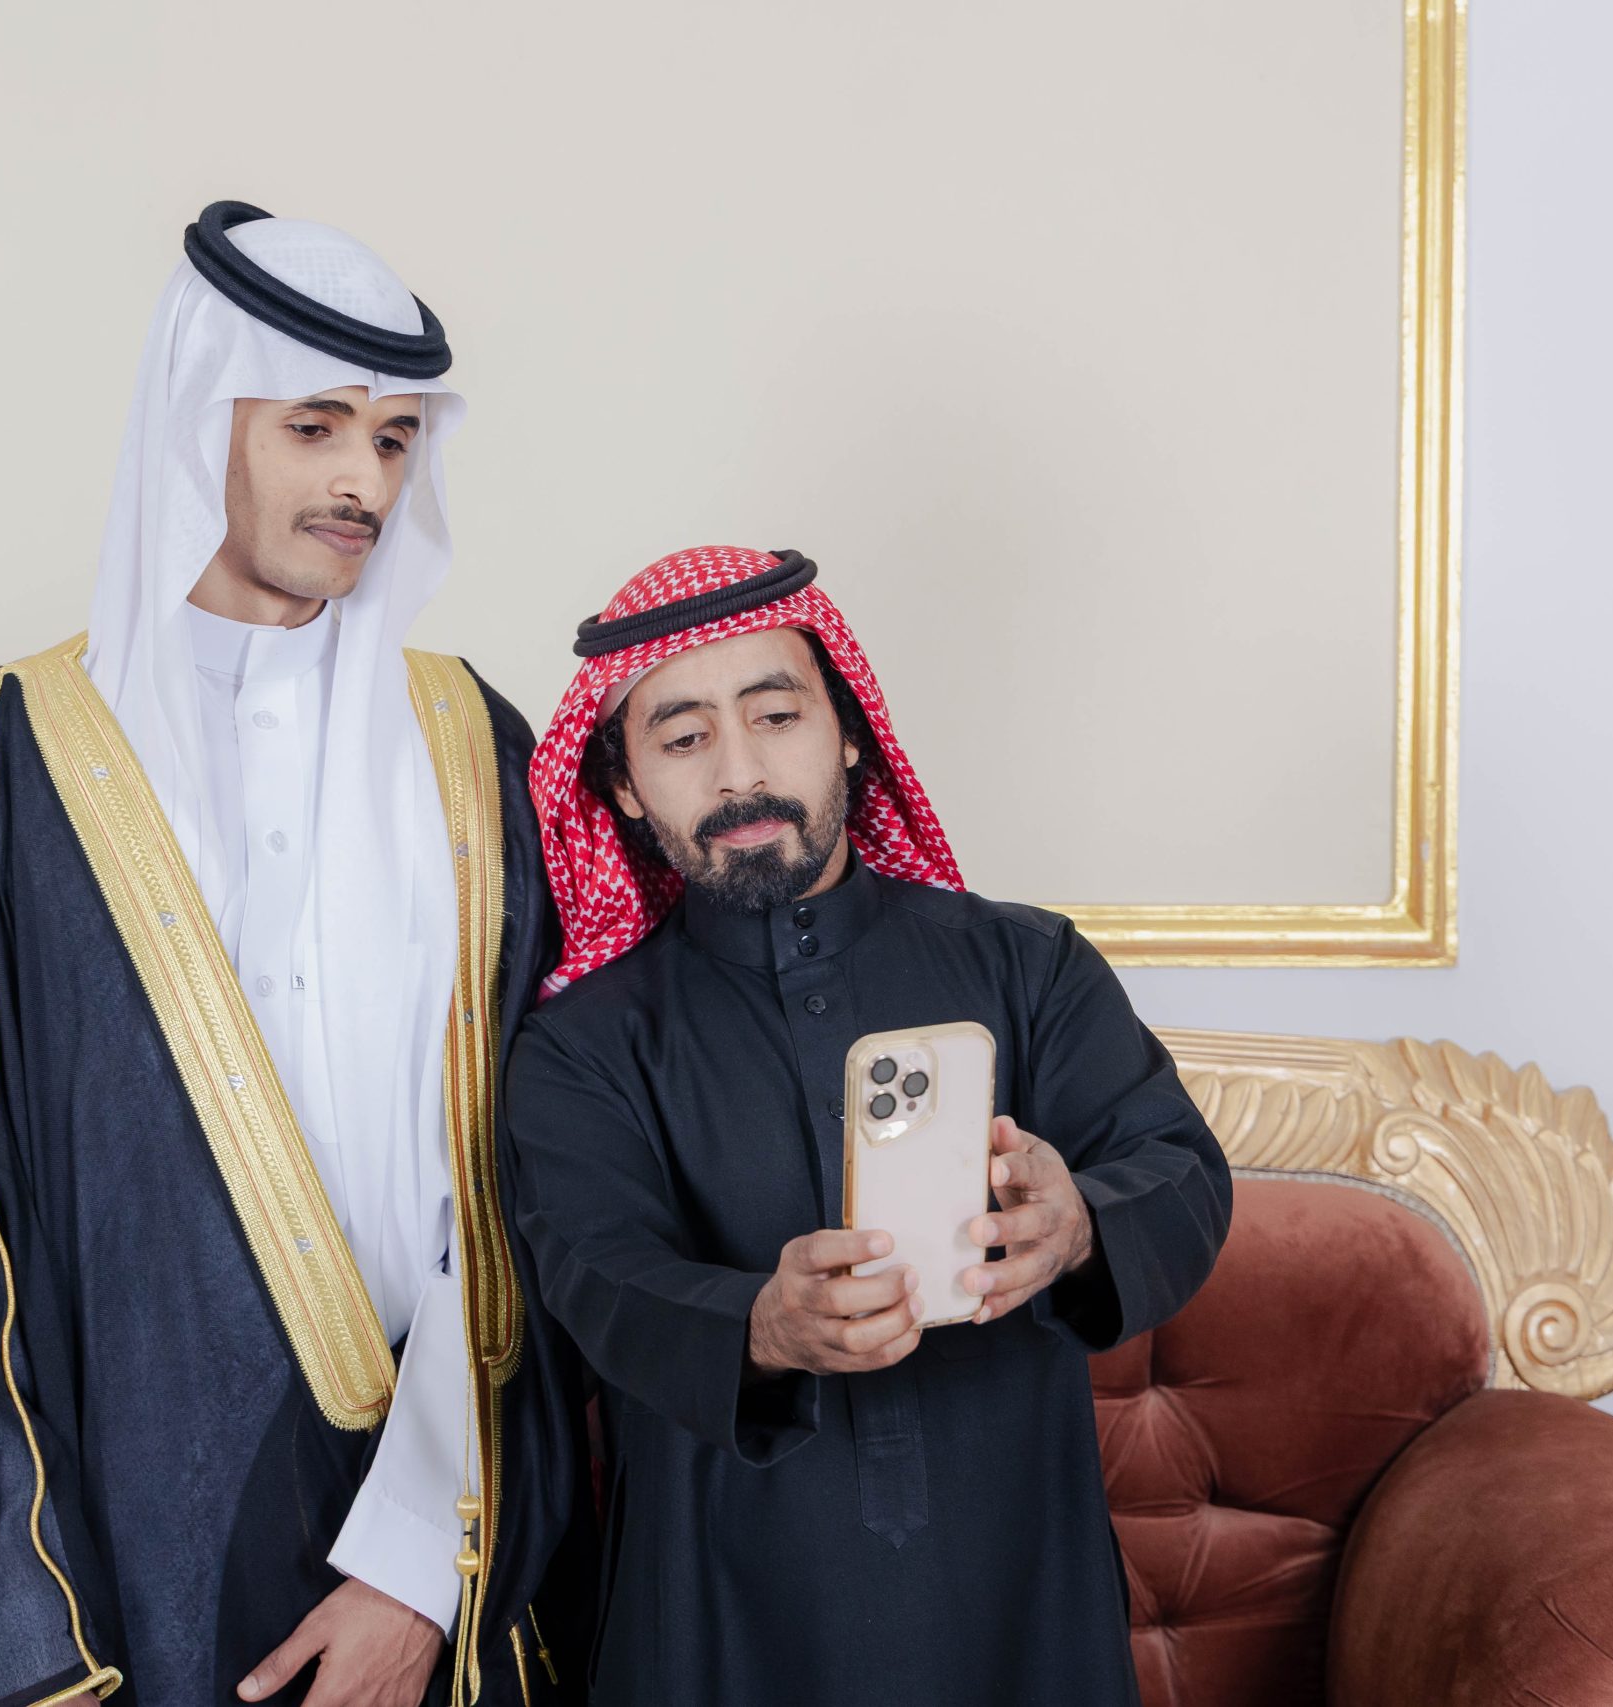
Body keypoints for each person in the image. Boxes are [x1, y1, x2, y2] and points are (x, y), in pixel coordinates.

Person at [0, 203, 588, 1707]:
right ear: (196, 419)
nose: (363, 482)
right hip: (118, 1568)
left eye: (395, 440)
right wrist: (36, 1658)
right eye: (314, 426)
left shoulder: (472, 747)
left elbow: (530, 1185)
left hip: (446, 1567)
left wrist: (420, 1566)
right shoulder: (1, 757)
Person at [503, 544, 1233, 1706]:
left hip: (1021, 1595)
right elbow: (596, 1276)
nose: (740, 772)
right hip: (715, 1618)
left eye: (776, 716)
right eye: (682, 739)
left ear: (847, 731)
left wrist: (1078, 1224)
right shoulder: (582, 1046)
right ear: (626, 789)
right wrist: (760, 1325)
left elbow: (1178, 1170)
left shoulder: (1027, 965)